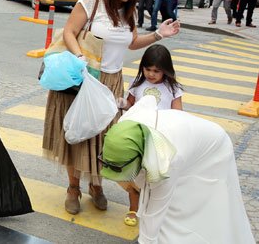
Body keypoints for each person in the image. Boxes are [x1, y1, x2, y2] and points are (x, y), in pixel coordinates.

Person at [42, 0, 180, 216]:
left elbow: (132, 42)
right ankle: (73, 188)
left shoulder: (130, 10)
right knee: (80, 132)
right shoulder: (92, 1)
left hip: (113, 82)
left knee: (105, 139)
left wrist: (159, 35)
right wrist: (80, 58)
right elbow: (70, 31)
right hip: (85, 79)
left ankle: (97, 185)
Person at [99, 101, 255, 244]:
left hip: (212, 153)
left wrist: (146, 240)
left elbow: (155, 208)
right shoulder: (124, 131)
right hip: (184, 143)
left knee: (197, 208)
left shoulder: (167, 161)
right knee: (169, 211)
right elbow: (146, 188)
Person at [115, 44, 183, 226]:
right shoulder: (137, 85)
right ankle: (134, 209)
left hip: (160, 140)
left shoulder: (173, 89)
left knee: (156, 178)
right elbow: (130, 105)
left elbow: (178, 114)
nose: (151, 74)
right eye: (147, 69)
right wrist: (123, 103)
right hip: (138, 138)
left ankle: (155, 211)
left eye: (157, 70)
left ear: (166, 70)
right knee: (135, 175)